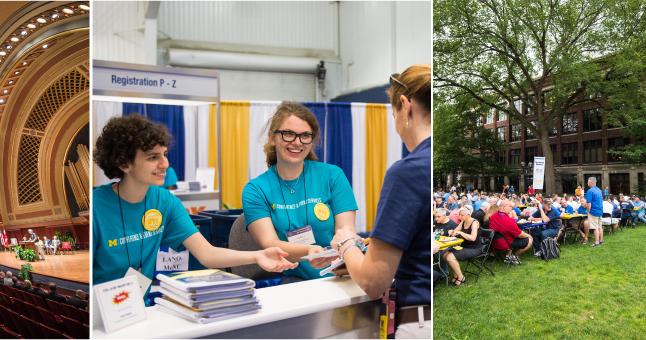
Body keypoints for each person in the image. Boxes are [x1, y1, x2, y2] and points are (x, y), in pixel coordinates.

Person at [92, 114, 296, 301]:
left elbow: (206, 253)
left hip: (138, 307)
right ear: (124, 163)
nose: (165, 164)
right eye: (153, 157)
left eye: (164, 154)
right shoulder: (97, 208)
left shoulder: (165, 201)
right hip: (101, 312)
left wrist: (257, 256)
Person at [329, 64, 431, 338]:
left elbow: (373, 281)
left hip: (420, 322)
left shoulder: (407, 171)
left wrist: (345, 243)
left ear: (405, 105)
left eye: (393, 112)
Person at [242, 102, 359, 285]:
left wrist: (350, 242)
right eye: (288, 134)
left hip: (340, 274)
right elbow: (269, 243)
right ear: (273, 137)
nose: (297, 142)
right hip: (297, 279)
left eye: (305, 136)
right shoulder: (256, 190)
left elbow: (346, 231)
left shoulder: (332, 176)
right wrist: (308, 251)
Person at [442, 207, 482, 286]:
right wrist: (452, 231)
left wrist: (461, 233)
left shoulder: (474, 222)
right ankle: (455, 275)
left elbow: (473, 238)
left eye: (462, 215)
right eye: (459, 215)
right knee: (444, 254)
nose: (460, 217)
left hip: (474, 248)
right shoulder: (463, 222)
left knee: (450, 257)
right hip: (464, 246)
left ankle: (461, 277)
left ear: (468, 214)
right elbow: (455, 231)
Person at [585, 177, 604, 247]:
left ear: (591, 182)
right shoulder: (599, 190)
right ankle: (601, 240)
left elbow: (588, 203)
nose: (587, 183)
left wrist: (588, 211)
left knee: (595, 228)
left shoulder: (590, 191)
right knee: (599, 227)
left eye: (588, 182)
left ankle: (596, 242)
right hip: (600, 210)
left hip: (593, 211)